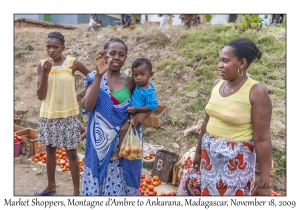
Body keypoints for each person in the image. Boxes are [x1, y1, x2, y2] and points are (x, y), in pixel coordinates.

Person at [193, 38, 272, 196]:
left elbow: (262, 139)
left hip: (236, 165)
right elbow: (207, 120)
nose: (220, 65)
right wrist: (198, 152)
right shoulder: (217, 84)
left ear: (242, 63)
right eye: (220, 60)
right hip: (210, 160)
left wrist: (264, 183)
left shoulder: (256, 92)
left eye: (225, 61)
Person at [81, 38, 151, 196]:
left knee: (119, 184)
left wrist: (141, 116)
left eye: (121, 54)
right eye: (112, 53)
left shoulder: (131, 82)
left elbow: (150, 101)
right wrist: (99, 75)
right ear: (104, 54)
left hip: (122, 144)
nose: (117, 57)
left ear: (126, 58)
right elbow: (88, 106)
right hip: (98, 142)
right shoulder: (94, 77)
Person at [35, 31, 91, 196]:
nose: (51, 50)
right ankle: (51, 185)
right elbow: (40, 95)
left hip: (67, 115)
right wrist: (45, 74)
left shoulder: (72, 63)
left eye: (55, 47)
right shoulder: (42, 65)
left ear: (63, 48)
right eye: (48, 47)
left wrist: (81, 95)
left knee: (72, 153)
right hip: (49, 114)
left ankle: (76, 193)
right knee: (50, 150)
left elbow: (94, 77)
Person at [110, 57, 159, 160]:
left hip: (136, 114)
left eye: (142, 74)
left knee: (124, 130)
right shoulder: (138, 85)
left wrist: (137, 110)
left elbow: (152, 105)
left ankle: (120, 152)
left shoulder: (148, 91)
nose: (139, 78)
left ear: (151, 75)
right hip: (131, 112)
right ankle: (127, 149)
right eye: (135, 75)